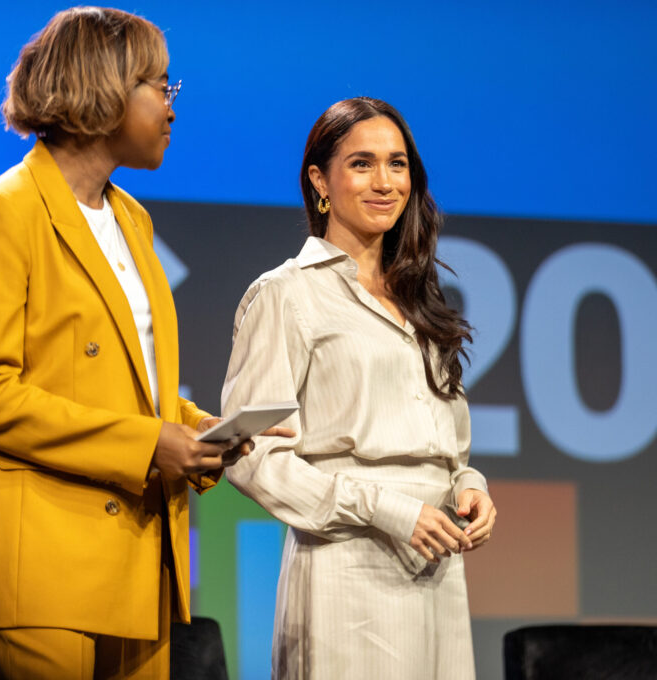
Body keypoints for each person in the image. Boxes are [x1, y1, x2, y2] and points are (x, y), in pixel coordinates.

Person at [0, 7, 269, 679]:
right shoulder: (2, 212)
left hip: (138, 559)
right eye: (160, 85)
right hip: (42, 570)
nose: (172, 107)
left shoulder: (132, 220)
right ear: (104, 89)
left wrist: (196, 428)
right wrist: (148, 444)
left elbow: (122, 385)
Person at [221, 97, 497, 679]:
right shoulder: (285, 295)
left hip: (439, 564)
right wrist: (387, 509)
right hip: (347, 567)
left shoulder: (420, 300)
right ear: (319, 180)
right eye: (362, 164)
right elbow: (253, 458)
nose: (385, 182)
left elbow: (452, 442)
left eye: (398, 165)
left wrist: (469, 486)